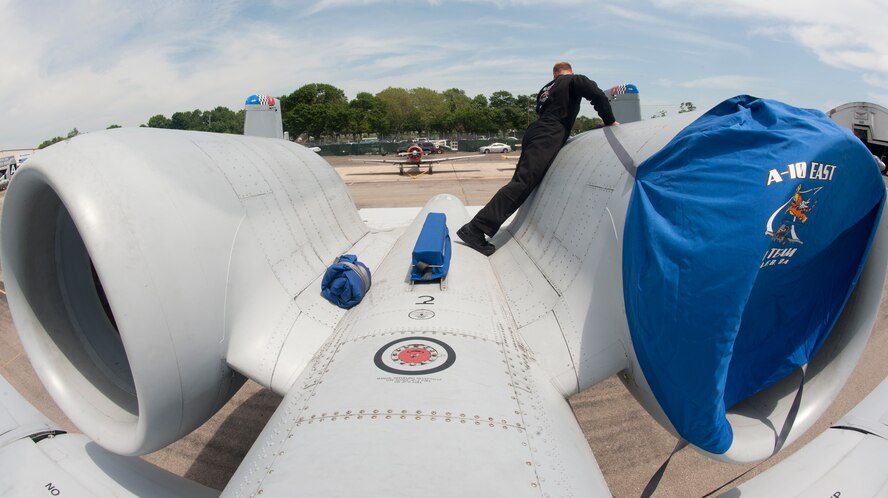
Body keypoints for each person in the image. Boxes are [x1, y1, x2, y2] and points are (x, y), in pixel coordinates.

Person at [457, 62, 618, 255]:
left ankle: (482, 225)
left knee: (519, 182)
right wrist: (610, 121)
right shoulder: (575, 80)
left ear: (554, 74)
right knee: (522, 183)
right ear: (569, 71)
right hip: (549, 133)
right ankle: (475, 229)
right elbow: (597, 96)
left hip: (535, 131)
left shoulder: (545, 90)